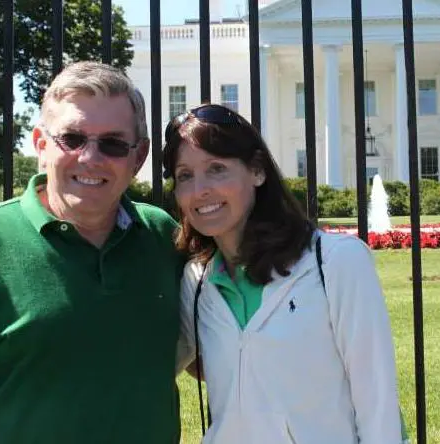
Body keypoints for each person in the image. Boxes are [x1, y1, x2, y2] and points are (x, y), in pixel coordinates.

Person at [0, 61, 184, 444]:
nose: (90, 157)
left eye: (114, 144)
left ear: (139, 156)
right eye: (72, 138)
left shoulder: (164, 238)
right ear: (40, 145)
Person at [167, 104, 407, 443]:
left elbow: (377, 402)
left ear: (257, 172)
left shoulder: (336, 263)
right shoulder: (198, 280)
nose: (199, 189)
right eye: (185, 176)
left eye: (217, 168)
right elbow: (157, 363)